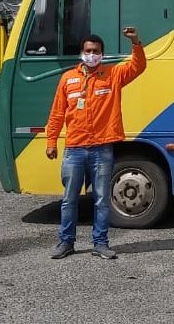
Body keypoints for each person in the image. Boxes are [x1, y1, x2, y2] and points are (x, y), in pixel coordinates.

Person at [45, 27, 146, 260]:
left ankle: (100, 243)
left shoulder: (112, 75)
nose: (92, 54)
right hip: (74, 149)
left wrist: (135, 42)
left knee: (101, 200)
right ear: (82, 52)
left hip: (102, 149)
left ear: (102, 54)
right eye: (88, 50)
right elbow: (57, 113)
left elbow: (137, 67)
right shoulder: (68, 79)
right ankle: (66, 242)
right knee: (69, 199)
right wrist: (51, 141)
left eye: (96, 51)